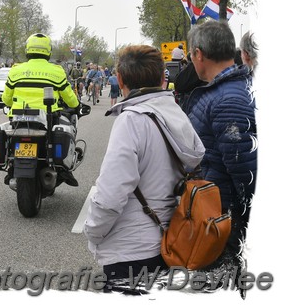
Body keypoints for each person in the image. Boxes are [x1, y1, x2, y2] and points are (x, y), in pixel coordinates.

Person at [83, 45, 205, 291]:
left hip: (132, 252)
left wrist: (93, 232)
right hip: (173, 243)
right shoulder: (177, 114)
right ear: (163, 78)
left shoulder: (131, 120)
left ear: (119, 79)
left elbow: (110, 196)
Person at [185, 20, 257, 264]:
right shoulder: (228, 91)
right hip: (222, 217)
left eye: (191, 54)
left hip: (226, 224)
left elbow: (246, 172)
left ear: (199, 54)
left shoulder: (227, 100)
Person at [2, 33, 81, 186]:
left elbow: (6, 99)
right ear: (48, 52)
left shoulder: (15, 70)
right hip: (48, 119)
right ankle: (64, 169)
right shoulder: (56, 71)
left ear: (27, 50)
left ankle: (11, 167)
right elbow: (70, 98)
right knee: (68, 128)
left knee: (11, 137)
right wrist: (77, 106)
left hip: (19, 119)